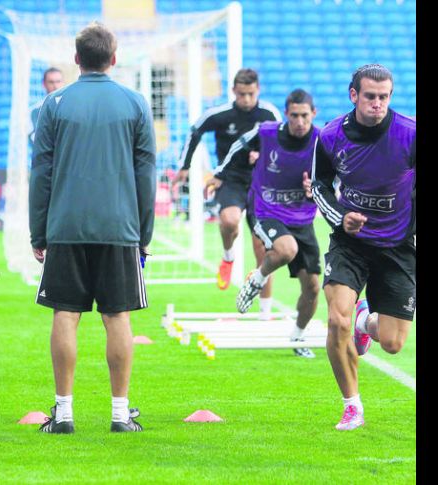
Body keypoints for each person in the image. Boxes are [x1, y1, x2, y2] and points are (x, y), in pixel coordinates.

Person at [29, 22, 156, 434]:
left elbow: (41, 173)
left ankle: (63, 413)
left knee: (66, 314)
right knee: (117, 317)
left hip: (66, 226)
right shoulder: (135, 104)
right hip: (120, 227)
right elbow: (146, 174)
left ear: (77, 58)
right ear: (113, 59)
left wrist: (38, 231)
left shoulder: (55, 104)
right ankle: (120, 414)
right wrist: (145, 232)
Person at [310, 64, 415, 431]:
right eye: (370, 96)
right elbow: (320, 187)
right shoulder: (330, 135)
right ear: (353, 95)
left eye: (384, 97)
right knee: (336, 319)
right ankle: (352, 404)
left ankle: (365, 321)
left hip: (398, 245)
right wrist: (341, 218)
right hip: (350, 243)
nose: (377, 104)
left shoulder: (409, 134)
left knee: (392, 343)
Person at [207, 89, 322, 358]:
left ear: (313, 114)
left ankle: (298, 336)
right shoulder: (267, 133)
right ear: (286, 114)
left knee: (313, 287)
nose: (299, 121)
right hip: (267, 210)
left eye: (304, 116)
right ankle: (257, 279)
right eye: (294, 115)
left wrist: (314, 186)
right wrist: (220, 174)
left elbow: (332, 175)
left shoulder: (322, 140)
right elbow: (237, 146)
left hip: (302, 217)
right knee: (285, 249)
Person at [174, 68, 281, 317]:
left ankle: (265, 313)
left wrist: (263, 156)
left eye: (251, 94)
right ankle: (228, 256)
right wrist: (184, 166)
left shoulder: (268, 113)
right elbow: (195, 130)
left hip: (260, 184)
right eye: (242, 94)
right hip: (230, 180)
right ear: (234, 91)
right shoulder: (221, 114)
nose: (246, 99)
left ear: (258, 91)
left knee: (263, 250)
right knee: (229, 220)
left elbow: (281, 143)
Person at [29, 67, 64, 144]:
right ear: (44, 84)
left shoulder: (71, 108)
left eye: (58, 81)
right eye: (51, 82)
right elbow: (32, 136)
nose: (55, 86)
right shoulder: (35, 111)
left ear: (63, 83)